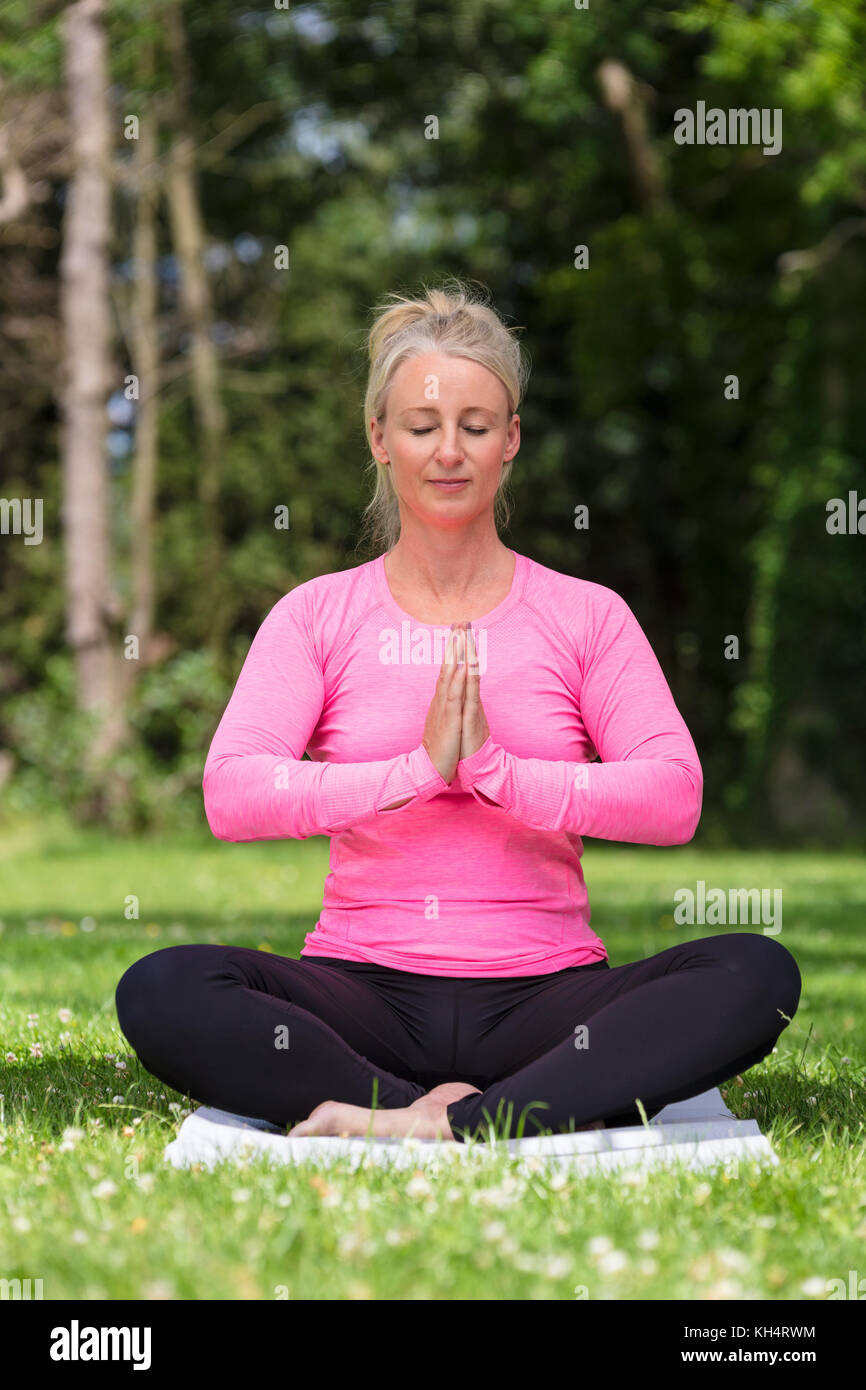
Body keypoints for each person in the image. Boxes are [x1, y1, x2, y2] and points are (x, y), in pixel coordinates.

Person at [115, 279, 801, 1145]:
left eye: (475, 427)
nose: (449, 451)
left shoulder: (585, 614)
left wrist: (496, 773)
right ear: (379, 439)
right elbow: (232, 793)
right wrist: (414, 773)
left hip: (545, 1001)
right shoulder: (317, 614)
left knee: (753, 970)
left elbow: (674, 796)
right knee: (161, 987)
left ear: (510, 440)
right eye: (422, 426)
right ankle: (439, 1105)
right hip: (362, 993)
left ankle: (447, 1123)